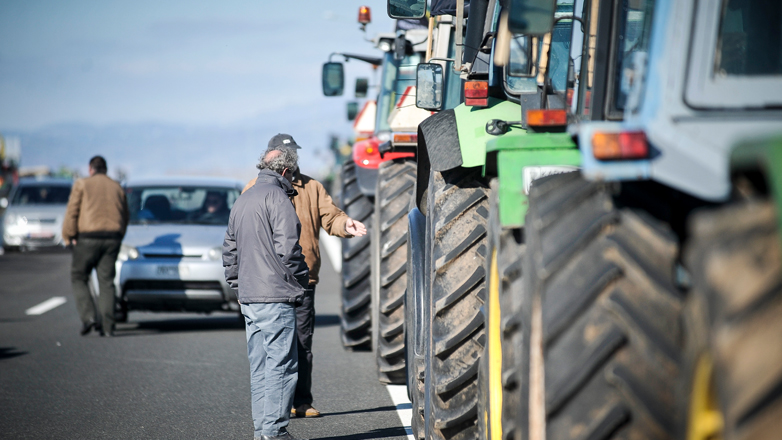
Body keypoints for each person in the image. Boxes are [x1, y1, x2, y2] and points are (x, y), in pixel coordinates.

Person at [243, 133, 367, 418]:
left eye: (291, 154)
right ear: (268, 156)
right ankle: (274, 406)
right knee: (269, 348)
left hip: (303, 280)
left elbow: (330, 216)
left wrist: (346, 224)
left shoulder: (312, 187)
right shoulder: (253, 188)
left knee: (301, 343)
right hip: (267, 283)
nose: (289, 159)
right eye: (282, 154)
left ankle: (302, 401)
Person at [224, 147, 309, 440]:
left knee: (259, 367)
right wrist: (301, 281)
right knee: (282, 367)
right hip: (276, 296)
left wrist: (239, 286)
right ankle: (275, 432)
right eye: (292, 175)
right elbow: (289, 249)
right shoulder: (278, 198)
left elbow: (229, 252)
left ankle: (263, 429)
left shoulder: (242, 199)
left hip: (250, 298)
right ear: (285, 172)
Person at [62, 156, 129, 337]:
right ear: (105, 170)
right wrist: (119, 235)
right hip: (112, 238)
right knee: (106, 281)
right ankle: (108, 326)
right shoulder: (117, 186)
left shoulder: (82, 184)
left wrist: (68, 236)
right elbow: (125, 214)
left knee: (79, 276)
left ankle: (89, 317)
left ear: (90, 169)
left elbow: (72, 211)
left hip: (88, 238)